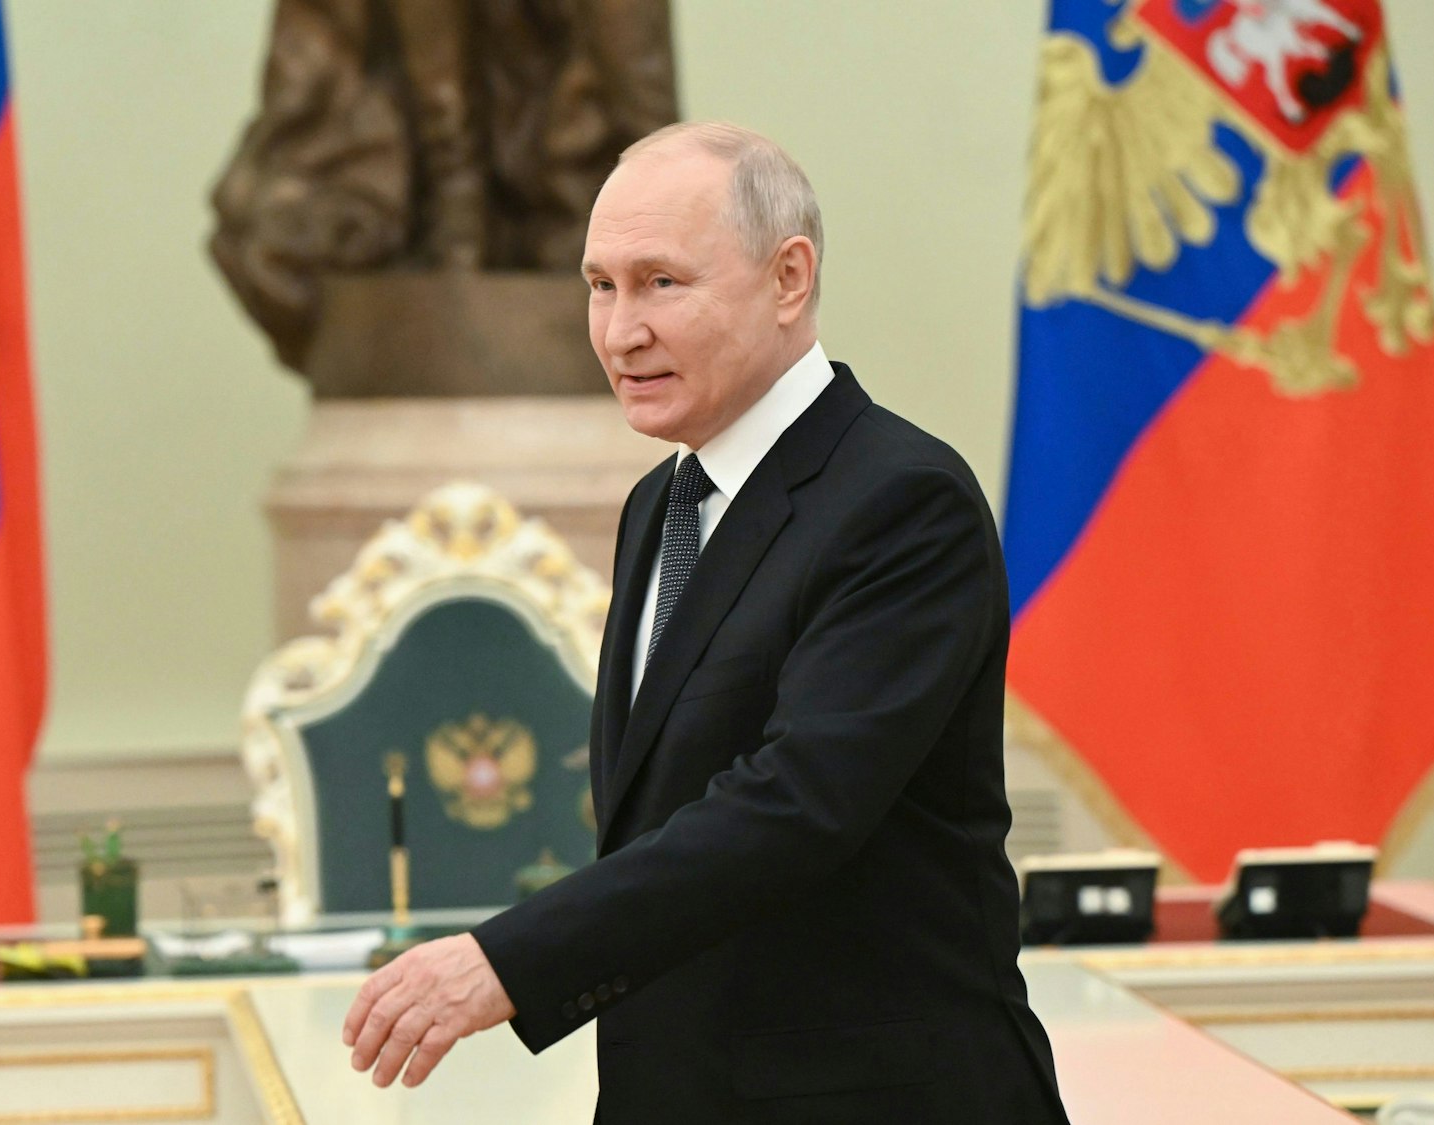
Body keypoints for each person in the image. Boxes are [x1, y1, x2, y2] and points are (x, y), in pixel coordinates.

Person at [342, 121, 1068, 1123]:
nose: (617, 331)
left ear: (787, 279)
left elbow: (793, 803)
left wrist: (505, 961)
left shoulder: (901, 501)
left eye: (659, 284)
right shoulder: (660, 506)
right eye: (599, 286)